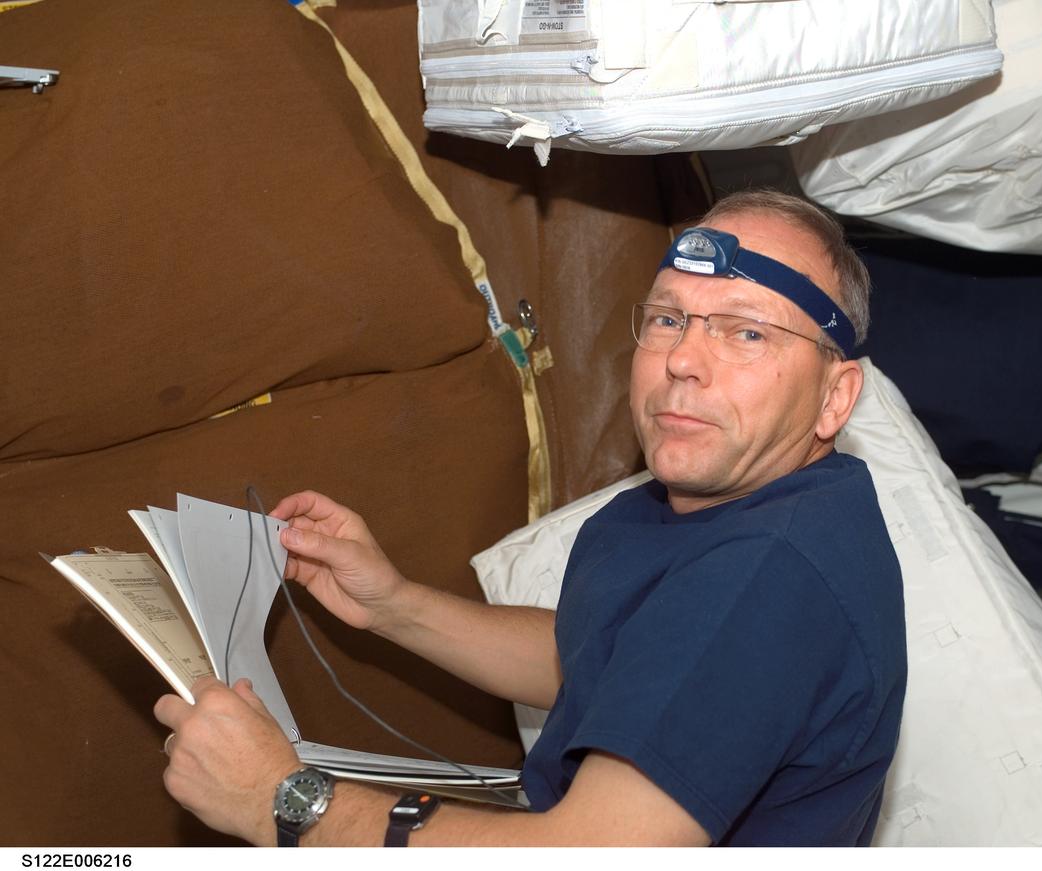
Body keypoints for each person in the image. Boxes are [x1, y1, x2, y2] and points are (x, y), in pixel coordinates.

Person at [154, 189, 907, 847]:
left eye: (746, 332)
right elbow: (605, 655)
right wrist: (395, 605)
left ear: (836, 397)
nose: (683, 360)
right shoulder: (704, 502)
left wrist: (281, 802)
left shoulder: (767, 576)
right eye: (671, 318)